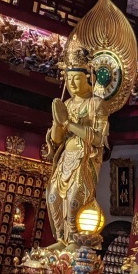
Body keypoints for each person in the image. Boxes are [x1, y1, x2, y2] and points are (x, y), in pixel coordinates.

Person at [44, 49, 108, 251]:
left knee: (74, 197)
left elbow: (98, 139)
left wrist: (68, 123)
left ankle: (73, 238)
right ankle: (61, 237)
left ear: (88, 78)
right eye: (69, 78)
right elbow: (57, 140)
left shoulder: (96, 104)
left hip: (84, 158)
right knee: (54, 196)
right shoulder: (67, 103)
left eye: (76, 78)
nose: (71, 83)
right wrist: (57, 122)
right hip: (66, 157)